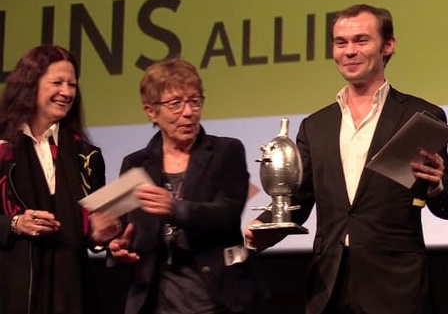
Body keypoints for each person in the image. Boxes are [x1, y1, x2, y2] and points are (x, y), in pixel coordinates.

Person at [244, 4, 448, 314]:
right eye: (340, 42)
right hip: (329, 288)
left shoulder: (418, 116)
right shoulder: (315, 126)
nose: (349, 51)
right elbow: (299, 201)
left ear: (388, 46)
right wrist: (262, 230)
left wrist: (437, 185)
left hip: (395, 289)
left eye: (361, 40)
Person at [107, 57, 268, 314]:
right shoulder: (135, 163)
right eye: (175, 104)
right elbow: (125, 229)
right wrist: (115, 247)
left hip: (216, 300)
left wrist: (175, 209)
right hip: (154, 303)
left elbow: (228, 213)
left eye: (195, 101)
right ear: (151, 111)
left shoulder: (226, 151)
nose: (188, 112)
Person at [0, 44, 116, 314]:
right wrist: (15, 224)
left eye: (72, 85)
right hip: (10, 291)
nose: (66, 92)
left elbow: (91, 231)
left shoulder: (87, 156)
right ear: (30, 84)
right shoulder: (2, 147)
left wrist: (100, 236)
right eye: (57, 82)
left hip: (71, 293)